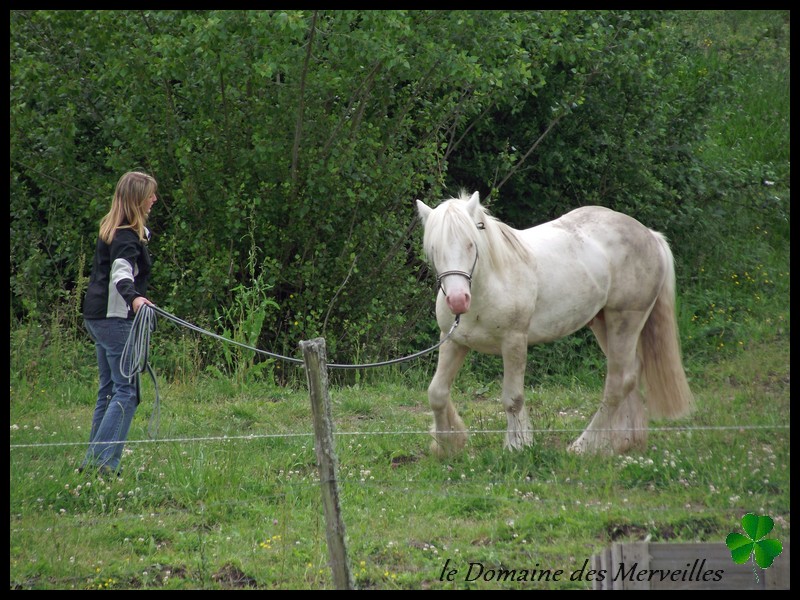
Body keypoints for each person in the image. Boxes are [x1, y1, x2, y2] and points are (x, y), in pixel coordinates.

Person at [80, 170, 158, 477]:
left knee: (110, 390)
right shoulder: (126, 236)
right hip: (113, 319)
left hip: (96, 316)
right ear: (138, 199)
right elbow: (121, 273)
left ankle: (93, 464)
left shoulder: (115, 230)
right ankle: (101, 464)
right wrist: (135, 298)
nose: (154, 199)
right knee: (127, 392)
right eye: (150, 194)